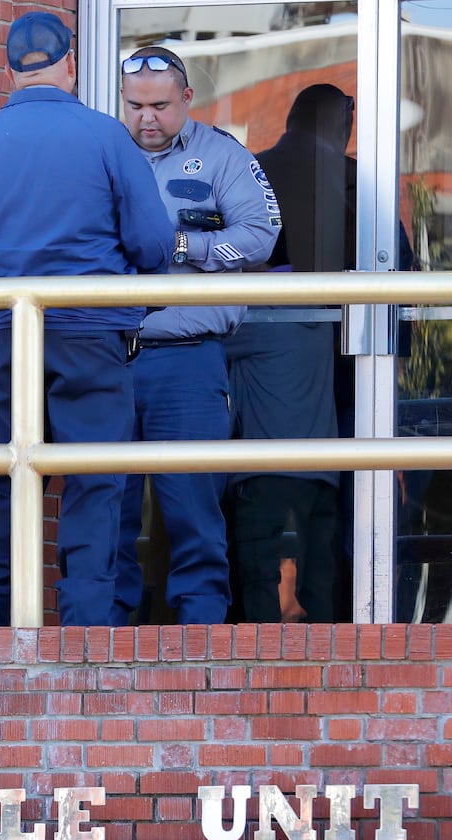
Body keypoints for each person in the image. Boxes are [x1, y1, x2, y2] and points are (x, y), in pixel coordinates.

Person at [0, 14, 175, 627]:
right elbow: (152, 241)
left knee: (4, 479)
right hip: (90, 332)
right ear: (71, 64)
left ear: (9, 70)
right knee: (93, 481)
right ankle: (86, 631)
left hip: (5, 336)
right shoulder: (104, 135)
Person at [111, 45, 281, 625]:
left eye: (159, 105)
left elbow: (260, 238)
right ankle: (97, 652)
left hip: (186, 362)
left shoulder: (221, 155)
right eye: (134, 106)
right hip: (104, 359)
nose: (146, 118)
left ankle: (199, 648)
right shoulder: (100, 152)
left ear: (186, 99)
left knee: (193, 516)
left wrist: (183, 247)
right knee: (105, 513)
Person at [222, 84, 357, 623]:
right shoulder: (351, 181)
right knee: (324, 572)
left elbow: (202, 333)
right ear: (342, 123)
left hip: (265, 463)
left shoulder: (252, 173)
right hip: (326, 458)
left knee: (258, 573)